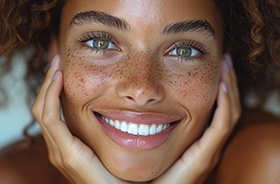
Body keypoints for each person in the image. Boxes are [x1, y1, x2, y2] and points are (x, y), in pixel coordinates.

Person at [0, 0, 280, 183]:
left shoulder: (270, 162)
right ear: (55, 50)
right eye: (100, 43)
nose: (141, 89)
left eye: (184, 50)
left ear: (223, 61)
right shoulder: (13, 177)